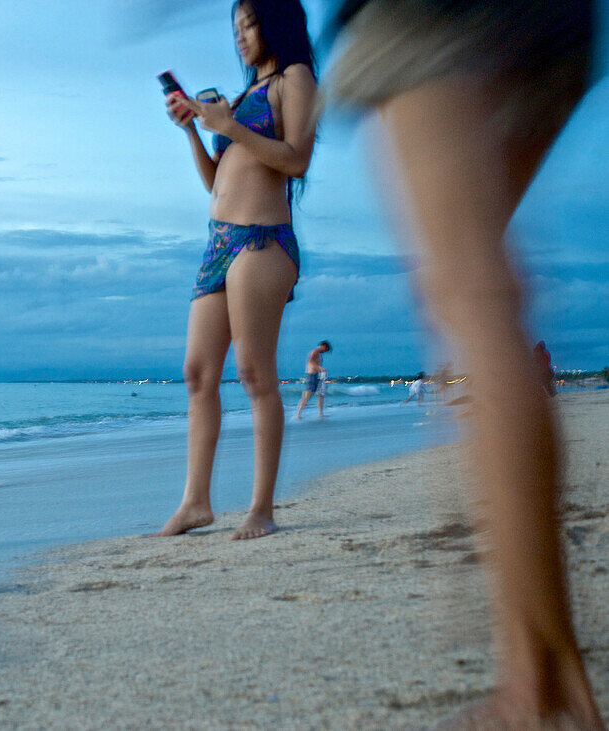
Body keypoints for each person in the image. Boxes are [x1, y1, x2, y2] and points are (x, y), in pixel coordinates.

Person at [331, 1, 603, 727]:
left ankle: (536, 677)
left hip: (431, 15)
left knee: (469, 292)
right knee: (475, 286)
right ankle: (540, 657)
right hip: (561, 25)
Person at [156, 0, 318, 541]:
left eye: (250, 23)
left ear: (275, 23)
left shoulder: (293, 80)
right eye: (236, 27)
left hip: (263, 240)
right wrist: (195, 131)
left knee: (254, 373)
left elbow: (296, 159)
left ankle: (261, 510)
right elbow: (216, 182)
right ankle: (195, 502)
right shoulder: (243, 94)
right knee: (198, 373)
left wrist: (230, 125)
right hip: (218, 243)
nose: (242, 35)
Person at [294, 340, 331, 419]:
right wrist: (319, 368)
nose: (324, 352)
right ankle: (298, 414)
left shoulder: (319, 354)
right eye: (325, 350)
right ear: (323, 346)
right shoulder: (314, 352)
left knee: (320, 395)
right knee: (307, 395)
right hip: (311, 375)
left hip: (317, 375)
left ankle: (321, 413)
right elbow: (310, 362)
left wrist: (321, 371)